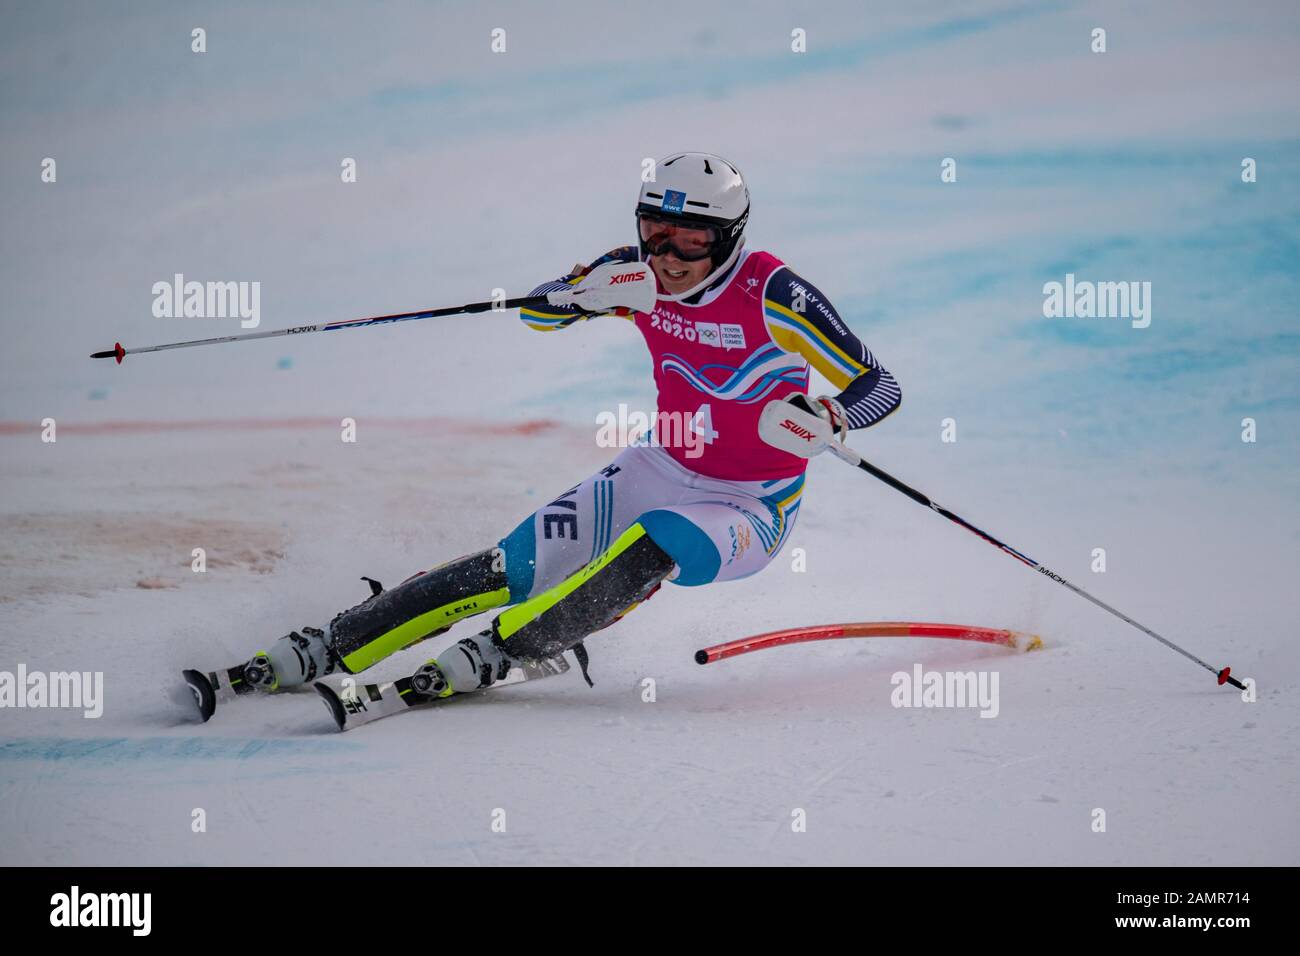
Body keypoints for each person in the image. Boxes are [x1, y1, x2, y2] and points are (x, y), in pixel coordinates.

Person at [234, 151, 902, 702]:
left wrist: (831, 413)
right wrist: (581, 294)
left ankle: (506, 648)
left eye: (692, 239)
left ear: (728, 237)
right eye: (655, 230)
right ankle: (335, 642)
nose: (669, 255)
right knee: (516, 566)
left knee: (659, 541)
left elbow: (880, 384)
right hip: (660, 464)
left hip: (752, 503)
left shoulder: (776, 294)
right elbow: (538, 312)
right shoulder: (634, 271)